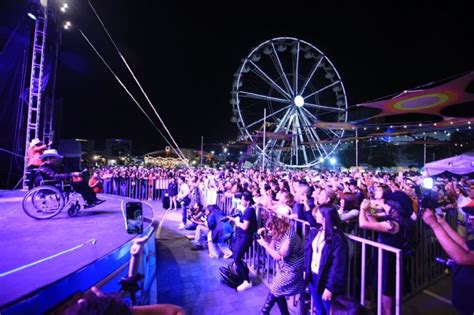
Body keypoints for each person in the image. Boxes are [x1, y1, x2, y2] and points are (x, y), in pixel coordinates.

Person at [358, 193, 412, 315]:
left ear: (395, 208)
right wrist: (368, 211)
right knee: (384, 290)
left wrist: (362, 209)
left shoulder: (394, 224)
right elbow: (374, 221)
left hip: (389, 261)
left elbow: (363, 224)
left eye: (387, 205)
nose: (384, 206)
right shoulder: (395, 220)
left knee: (387, 291)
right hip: (386, 258)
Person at [422, 208, 474, 315]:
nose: (470, 220)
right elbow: (463, 245)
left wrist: (434, 225)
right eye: (471, 217)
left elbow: (463, 258)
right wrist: (442, 223)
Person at [304, 203, 349, 315]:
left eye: (319, 212)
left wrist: (330, 287)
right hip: (313, 276)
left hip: (326, 278)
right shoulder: (316, 231)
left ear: (325, 216)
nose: (316, 214)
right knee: (318, 308)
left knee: (329, 310)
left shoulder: (337, 239)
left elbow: (338, 265)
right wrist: (306, 270)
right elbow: (308, 252)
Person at [256, 214, 304, 314]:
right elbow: (272, 245)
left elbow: (278, 255)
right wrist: (264, 237)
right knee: (278, 291)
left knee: (275, 289)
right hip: (285, 267)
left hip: (293, 269)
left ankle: (264, 312)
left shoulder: (289, 236)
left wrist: (264, 244)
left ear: (276, 226)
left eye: (270, 230)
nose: (269, 232)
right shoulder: (279, 232)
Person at [36, 149, 104, 208]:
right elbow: (55, 176)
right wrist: (72, 174)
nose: (57, 160)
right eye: (55, 158)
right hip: (55, 185)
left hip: (56, 183)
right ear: (50, 158)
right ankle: (91, 201)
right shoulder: (44, 167)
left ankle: (92, 199)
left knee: (83, 184)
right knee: (81, 185)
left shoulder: (50, 165)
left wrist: (73, 174)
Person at [227, 191, 257, 291]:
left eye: (243, 199)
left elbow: (245, 226)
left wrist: (236, 222)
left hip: (245, 237)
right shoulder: (247, 210)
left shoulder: (249, 211)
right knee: (236, 255)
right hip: (242, 236)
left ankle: (247, 281)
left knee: (237, 258)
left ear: (247, 201)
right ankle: (244, 274)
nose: (241, 201)